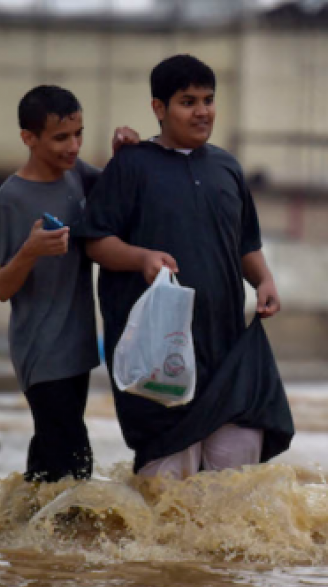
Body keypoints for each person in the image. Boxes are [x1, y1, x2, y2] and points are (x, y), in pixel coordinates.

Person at [79, 54, 294, 480]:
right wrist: (142, 258)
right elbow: (96, 242)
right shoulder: (131, 165)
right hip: (159, 355)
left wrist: (264, 279)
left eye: (208, 99)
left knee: (233, 494)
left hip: (228, 351)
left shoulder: (227, 168)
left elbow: (245, 243)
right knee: (165, 495)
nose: (202, 111)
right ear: (159, 109)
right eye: (187, 101)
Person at [0, 85, 139, 482]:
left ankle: (21, 536)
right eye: (61, 137)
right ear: (28, 138)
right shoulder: (10, 199)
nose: (74, 145)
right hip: (41, 354)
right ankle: (61, 537)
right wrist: (28, 251)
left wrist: (120, 152)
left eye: (79, 134)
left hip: (77, 349)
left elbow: (117, 193)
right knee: (74, 468)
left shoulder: (76, 175)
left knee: (49, 461)